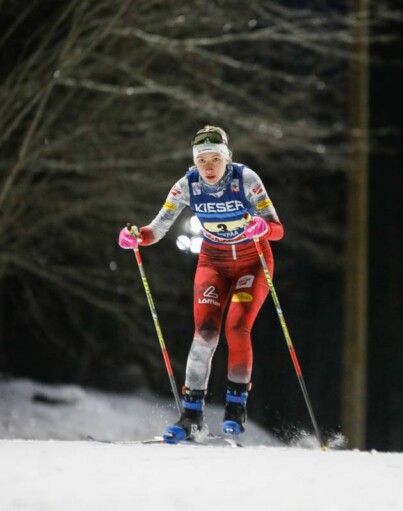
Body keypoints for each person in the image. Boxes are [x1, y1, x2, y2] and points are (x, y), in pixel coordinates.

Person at [117, 125, 284, 443]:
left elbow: (277, 228)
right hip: (213, 263)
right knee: (205, 334)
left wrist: (263, 227)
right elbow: (157, 228)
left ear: (227, 158)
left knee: (237, 327)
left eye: (215, 159)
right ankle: (191, 417)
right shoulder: (186, 185)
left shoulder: (246, 179)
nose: (208, 166)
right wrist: (136, 236)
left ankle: (235, 409)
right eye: (201, 160)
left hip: (252, 263)